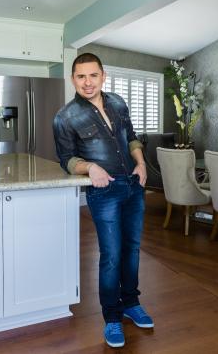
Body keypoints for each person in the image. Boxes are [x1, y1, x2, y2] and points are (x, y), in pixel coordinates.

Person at [52, 53, 153, 348]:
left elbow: (132, 137)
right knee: (111, 255)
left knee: (132, 249)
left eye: (92, 75)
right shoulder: (65, 117)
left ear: (102, 75)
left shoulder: (118, 102)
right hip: (104, 191)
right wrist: (91, 167)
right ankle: (111, 318)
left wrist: (142, 163)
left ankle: (131, 304)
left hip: (134, 186)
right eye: (81, 76)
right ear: (73, 79)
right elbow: (67, 159)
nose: (87, 82)